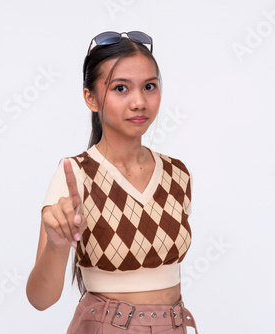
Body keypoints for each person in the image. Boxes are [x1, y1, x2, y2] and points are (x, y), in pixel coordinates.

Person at [26, 31, 199, 333]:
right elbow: (40, 300)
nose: (139, 102)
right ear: (90, 98)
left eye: (149, 86)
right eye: (121, 88)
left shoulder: (177, 174)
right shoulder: (75, 175)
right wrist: (57, 245)